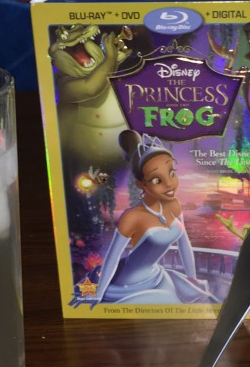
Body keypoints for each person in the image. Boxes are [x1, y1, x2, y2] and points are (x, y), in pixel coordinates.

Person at [89, 130, 217, 305]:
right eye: (157, 180)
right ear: (141, 184)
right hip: (128, 283)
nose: (170, 184)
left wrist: (191, 277)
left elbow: (184, 242)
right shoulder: (132, 217)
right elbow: (112, 258)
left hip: (155, 274)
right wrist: (98, 294)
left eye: (172, 173)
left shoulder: (174, 205)